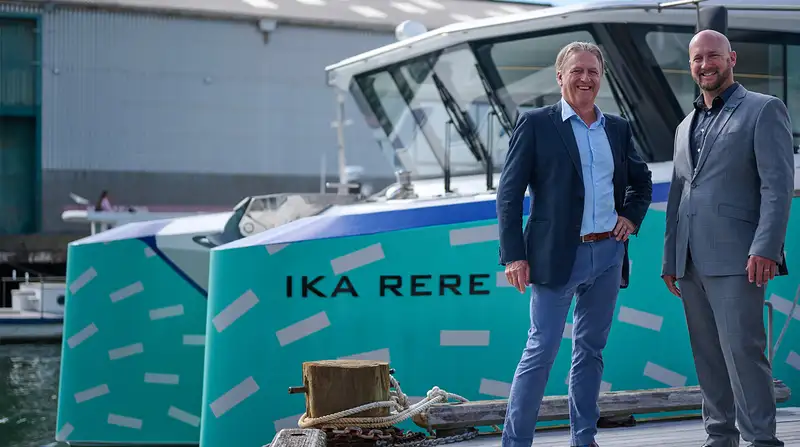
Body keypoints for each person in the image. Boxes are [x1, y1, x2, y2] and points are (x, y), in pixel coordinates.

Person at [496, 41, 653, 447]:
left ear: (601, 77)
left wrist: (630, 219)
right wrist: (514, 255)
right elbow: (509, 196)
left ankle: (584, 439)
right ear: (560, 75)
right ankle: (516, 443)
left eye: (593, 72)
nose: (585, 78)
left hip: (607, 255)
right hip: (555, 257)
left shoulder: (616, 128)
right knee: (541, 351)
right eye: (577, 71)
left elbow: (642, 182)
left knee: (591, 351)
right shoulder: (535, 123)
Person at [661, 29, 794, 447]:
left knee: (743, 352)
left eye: (713, 56)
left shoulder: (764, 109)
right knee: (707, 355)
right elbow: (678, 195)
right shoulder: (684, 125)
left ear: (731, 58)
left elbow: (777, 185)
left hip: (739, 256)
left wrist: (766, 247)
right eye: (698, 59)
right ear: (691, 66)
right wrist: (670, 258)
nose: (705, 65)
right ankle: (719, 437)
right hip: (690, 261)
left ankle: (761, 440)